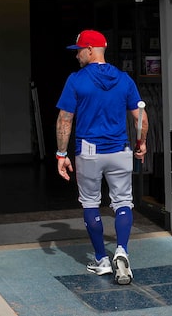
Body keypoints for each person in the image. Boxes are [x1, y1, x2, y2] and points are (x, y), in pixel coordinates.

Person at [55, 29, 148, 286]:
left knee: (90, 203)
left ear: (90, 50)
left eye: (79, 51)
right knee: (123, 202)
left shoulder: (76, 80)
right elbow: (141, 117)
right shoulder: (125, 79)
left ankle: (101, 259)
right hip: (120, 150)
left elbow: (65, 119)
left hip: (89, 152)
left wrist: (61, 154)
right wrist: (141, 143)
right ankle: (121, 251)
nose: (76, 57)